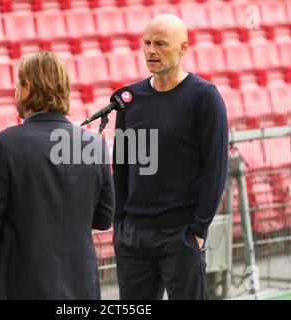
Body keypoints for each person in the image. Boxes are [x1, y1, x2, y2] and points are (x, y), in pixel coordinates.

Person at [0, 52, 115, 299]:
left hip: (20, 286)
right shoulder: (94, 144)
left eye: (18, 84)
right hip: (81, 287)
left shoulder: (5, 145)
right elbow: (103, 218)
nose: (15, 92)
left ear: (27, 88)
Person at [112, 14, 228, 300]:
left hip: (181, 235)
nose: (151, 51)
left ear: (182, 48)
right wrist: (120, 224)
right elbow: (121, 167)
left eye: (160, 44)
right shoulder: (129, 99)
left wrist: (198, 230)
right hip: (133, 236)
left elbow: (216, 168)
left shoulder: (205, 97)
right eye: (147, 43)